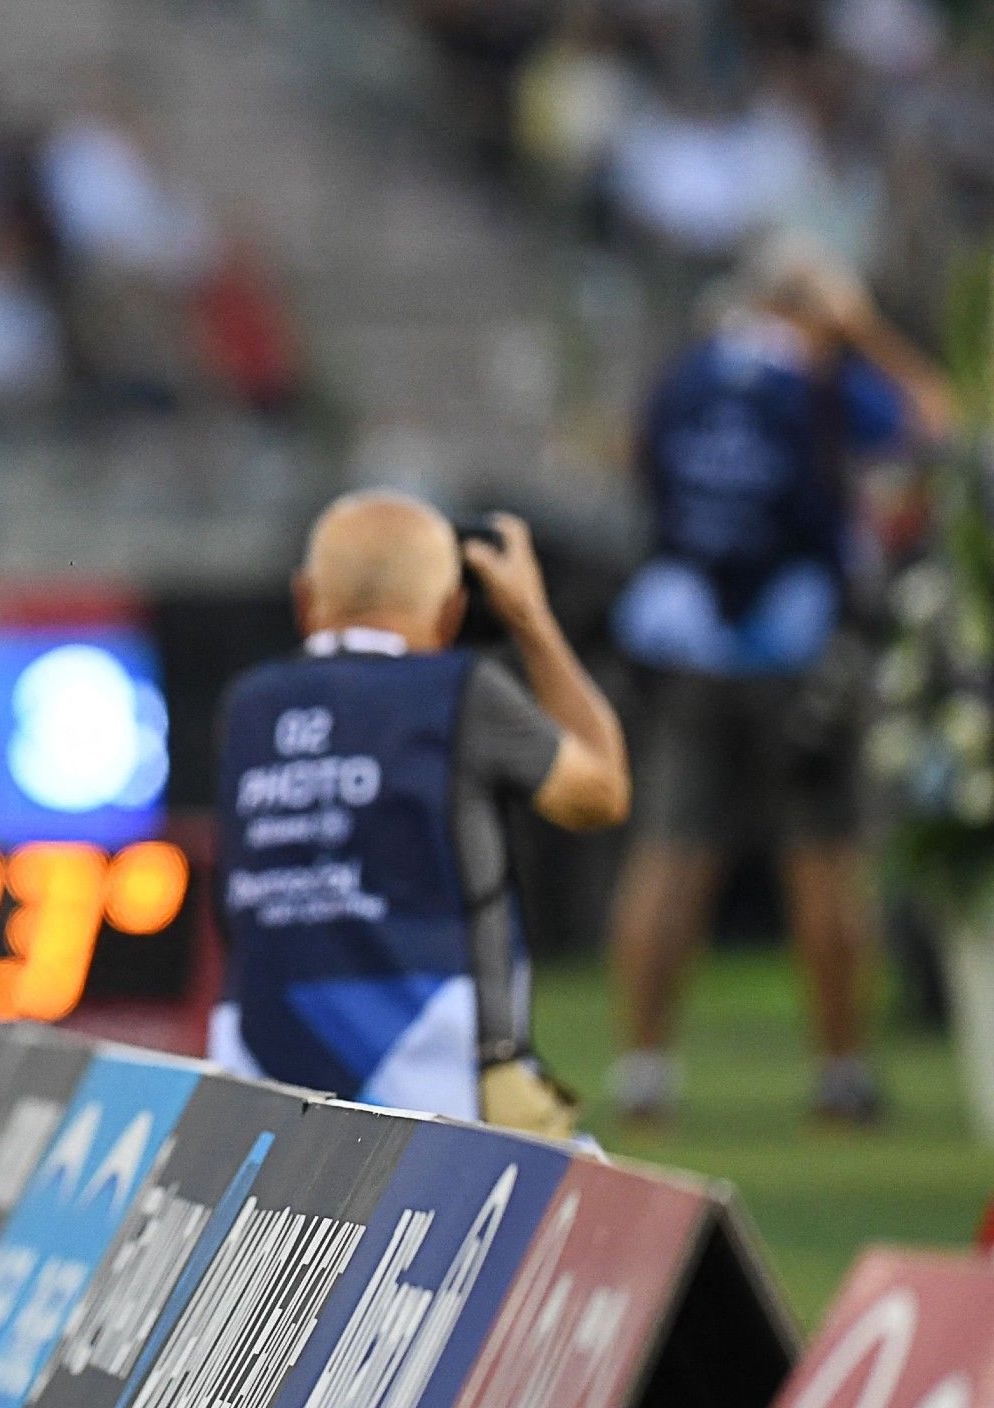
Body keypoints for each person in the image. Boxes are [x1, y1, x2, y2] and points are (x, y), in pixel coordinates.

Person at [607, 235, 953, 1124]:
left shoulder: (689, 373)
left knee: (670, 852)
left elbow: (629, 461)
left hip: (688, 644)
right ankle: (841, 1071)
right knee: (827, 858)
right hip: (800, 647)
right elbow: (937, 422)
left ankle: (644, 1068)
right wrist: (866, 331)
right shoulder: (823, 378)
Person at [208, 493, 630, 1133]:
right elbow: (601, 795)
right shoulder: (459, 690)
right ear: (454, 611)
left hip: (260, 1062)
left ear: (303, 601)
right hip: (438, 1068)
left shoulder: (246, 705)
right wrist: (533, 619)